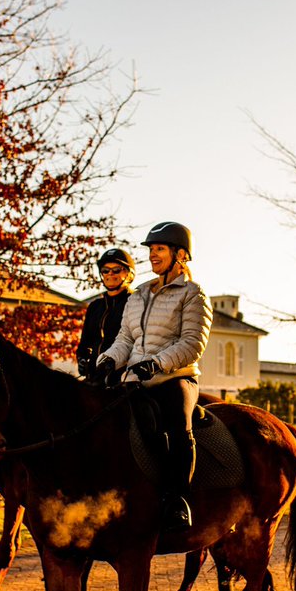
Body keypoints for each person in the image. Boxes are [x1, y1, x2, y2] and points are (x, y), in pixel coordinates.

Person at [94, 222, 212, 532]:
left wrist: (157, 364)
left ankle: (178, 500)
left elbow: (192, 343)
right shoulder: (140, 294)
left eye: (159, 249)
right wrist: (107, 361)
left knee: (178, 426)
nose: (152, 255)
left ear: (181, 255)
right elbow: (125, 340)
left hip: (176, 378)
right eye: (150, 250)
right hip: (135, 379)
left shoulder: (193, 294)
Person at [76, 248, 135, 382]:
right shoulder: (95, 306)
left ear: (129, 274)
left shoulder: (135, 303)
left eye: (116, 270)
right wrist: (82, 360)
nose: (110, 274)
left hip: (122, 379)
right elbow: (84, 343)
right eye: (105, 270)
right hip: (93, 377)